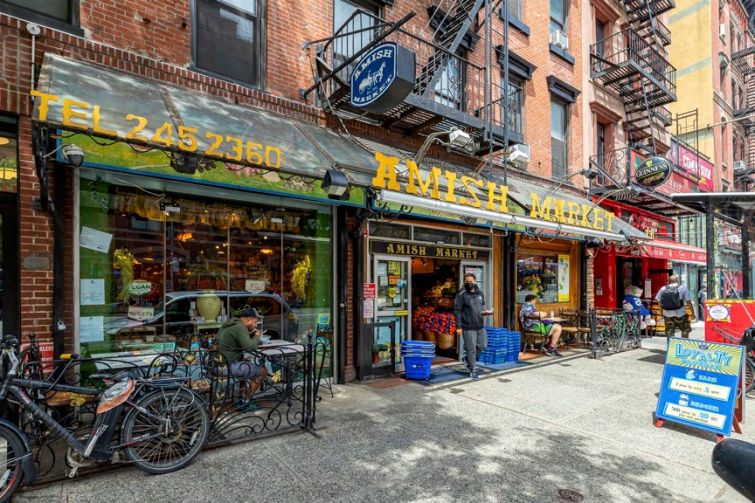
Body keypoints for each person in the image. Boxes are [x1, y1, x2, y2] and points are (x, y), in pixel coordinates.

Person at [217, 307, 268, 409]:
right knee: (263, 371)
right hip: (226, 367)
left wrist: (252, 335)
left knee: (245, 362)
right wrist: (257, 336)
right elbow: (249, 347)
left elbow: (244, 341)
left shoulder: (231, 324)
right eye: (255, 322)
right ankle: (245, 401)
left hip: (218, 364)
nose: (256, 325)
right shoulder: (240, 327)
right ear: (249, 320)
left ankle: (242, 396)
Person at [454, 273, 490, 379]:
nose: (469, 283)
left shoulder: (480, 293)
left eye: (471, 281)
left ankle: (467, 359)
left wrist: (485, 312)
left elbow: (482, 307)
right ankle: (473, 369)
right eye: (467, 282)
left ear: (475, 281)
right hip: (468, 326)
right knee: (471, 349)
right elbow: (457, 311)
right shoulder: (461, 294)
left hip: (480, 325)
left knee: (483, 345)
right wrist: (459, 326)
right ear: (464, 282)